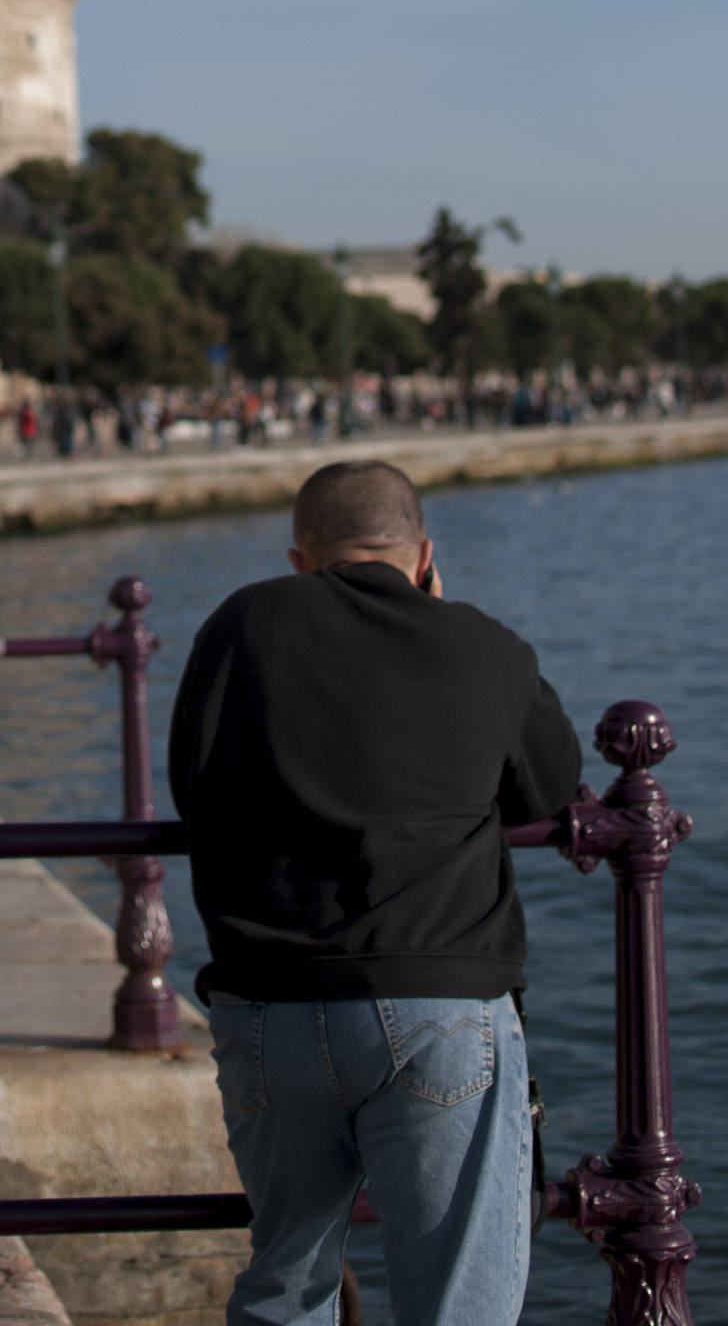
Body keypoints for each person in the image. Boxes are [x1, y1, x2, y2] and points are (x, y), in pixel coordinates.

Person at [169, 460, 581, 1326]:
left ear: (298, 560)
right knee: (454, 1304)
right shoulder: (482, 642)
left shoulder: (242, 622)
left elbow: (191, 780)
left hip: (267, 1002)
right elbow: (546, 790)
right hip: (437, 1002)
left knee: (286, 1281)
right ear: (425, 555)